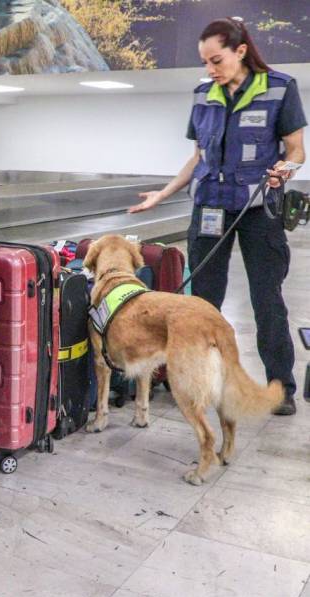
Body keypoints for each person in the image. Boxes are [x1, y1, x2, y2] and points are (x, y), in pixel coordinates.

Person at [129, 17, 306, 416]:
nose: (210, 69)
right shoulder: (201, 95)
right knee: (201, 304)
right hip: (209, 205)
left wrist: (286, 168)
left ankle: (282, 387)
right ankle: (199, 384)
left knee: (268, 299)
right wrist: (163, 193)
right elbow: (198, 158)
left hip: (257, 208)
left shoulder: (279, 89)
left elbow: (297, 150)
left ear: (240, 51)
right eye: (205, 62)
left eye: (216, 60)